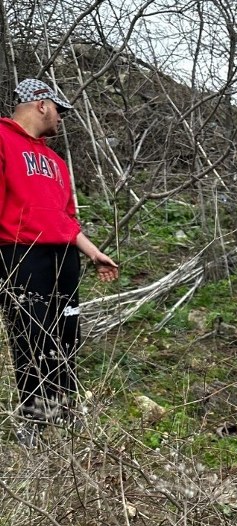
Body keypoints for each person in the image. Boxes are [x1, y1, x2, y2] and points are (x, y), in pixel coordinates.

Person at [0, 78, 119, 446]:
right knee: (30, 336)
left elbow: (65, 218)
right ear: (41, 104)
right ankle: (35, 424)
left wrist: (93, 251)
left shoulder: (54, 161)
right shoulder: (3, 140)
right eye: (59, 110)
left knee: (65, 336)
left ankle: (61, 411)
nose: (62, 118)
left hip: (63, 257)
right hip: (21, 254)